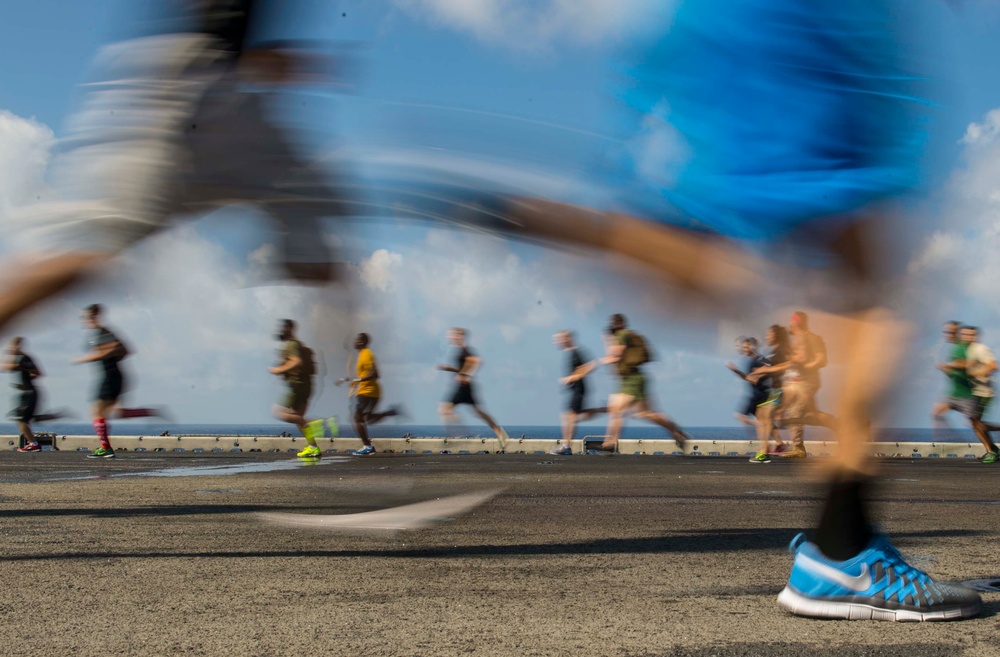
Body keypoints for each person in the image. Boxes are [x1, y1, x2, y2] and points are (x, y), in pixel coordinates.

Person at [0, 1, 348, 332]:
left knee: (318, 241)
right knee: (87, 248)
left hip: (205, 81)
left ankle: (347, 376)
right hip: (196, 81)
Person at [73, 304, 165, 459]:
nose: (84, 320)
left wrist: (91, 357)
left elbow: (119, 348)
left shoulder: (102, 332)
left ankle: (106, 448)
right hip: (111, 375)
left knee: (96, 411)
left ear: (94, 316)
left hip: (111, 376)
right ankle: (148, 412)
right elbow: (124, 350)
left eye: (86, 317)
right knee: (117, 413)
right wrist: (105, 355)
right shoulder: (100, 333)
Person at [600, 314, 689, 452]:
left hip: (631, 379)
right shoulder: (629, 335)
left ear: (617, 324)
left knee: (616, 409)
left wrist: (606, 348)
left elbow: (616, 355)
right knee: (646, 413)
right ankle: (676, 431)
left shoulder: (622, 335)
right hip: (635, 377)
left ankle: (610, 443)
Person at [437, 328, 510, 450]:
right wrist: (450, 369)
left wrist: (466, 374)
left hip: (463, 386)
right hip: (465, 385)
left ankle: (459, 434)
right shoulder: (460, 350)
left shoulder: (465, 350)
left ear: (459, 336)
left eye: (451, 335)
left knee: (444, 409)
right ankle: (500, 433)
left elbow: (477, 361)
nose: (449, 337)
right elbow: (464, 367)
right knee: (478, 412)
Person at [936, 325, 999, 463]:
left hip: (983, 393)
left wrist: (976, 373)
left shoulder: (979, 349)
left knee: (976, 424)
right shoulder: (964, 350)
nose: (968, 337)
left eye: (971, 335)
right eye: (965, 335)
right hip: (971, 393)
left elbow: (993, 365)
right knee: (975, 423)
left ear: (976, 336)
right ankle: (993, 449)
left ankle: (992, 451)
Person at [269, 319, 322, 458]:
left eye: (283, 328)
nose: (280, 330)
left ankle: (315, 424)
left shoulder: (291, 344)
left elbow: (296, 361)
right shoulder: (298, 345)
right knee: (298, 418)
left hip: (297, 385)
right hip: (307, 384)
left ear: (288, 329)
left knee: (278, 412)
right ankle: (313, 447)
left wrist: (278, 370)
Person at [347, 332, 403, 456]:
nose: (354, 342)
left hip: (368, 392)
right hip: (369, 391)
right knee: (367, 419)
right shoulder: (362, 354)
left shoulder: (366, 354)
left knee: (357, 419)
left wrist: (359, 380)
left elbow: (375, 374)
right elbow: (366, 373)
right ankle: (391, 412)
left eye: (357, 340)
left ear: (362, 342)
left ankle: (367, 446)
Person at [551, 330, 606, 455]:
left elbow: (592, 365)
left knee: (569, 417)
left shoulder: (576, 352)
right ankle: (601, 409)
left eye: (559, 339)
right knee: (571, 416)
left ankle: (566, 446)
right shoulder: (570, 352)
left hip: (579, 389)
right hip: (575, 389)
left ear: (567, 339)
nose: (557, 342)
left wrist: (573, 377)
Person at [745, 325, 791, 463]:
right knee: (762, 416)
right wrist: (759, 374)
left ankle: (764, 452)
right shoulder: (775, 351)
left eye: (769, 334)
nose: (766, 337)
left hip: (782, 389)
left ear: (775, 335)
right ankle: (768, 449)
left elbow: (786, 366)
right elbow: (771, 369)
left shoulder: (782, 351)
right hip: (775, 390)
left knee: (764, 416)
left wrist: (762, 371)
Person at [3, 337, 42, 452]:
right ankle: (33, 442)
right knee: (23, 419)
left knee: (21, 420)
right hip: (25, 392)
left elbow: (10, 367)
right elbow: (37, 373)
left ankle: (34, 444)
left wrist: (26, 382)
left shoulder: (22, 359)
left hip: (28, 393)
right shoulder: (23, 359)